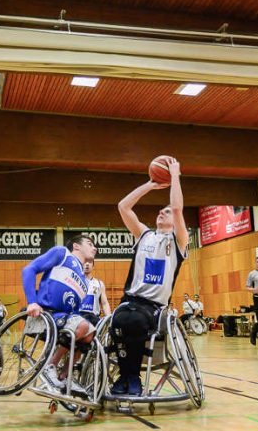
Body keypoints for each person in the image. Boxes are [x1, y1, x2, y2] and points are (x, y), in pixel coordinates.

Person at [111, 157, 189, 396]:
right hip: (130, 300)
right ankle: (127, 376)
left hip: (154, 307)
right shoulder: (143, 235)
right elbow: (123, 206)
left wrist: (174, 175)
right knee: (118, 320)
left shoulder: (178, 242)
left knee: (133, 322)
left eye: (165, 212)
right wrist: (151, 185)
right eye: (160, 211)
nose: (162, 213)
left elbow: (177, 208)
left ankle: (130, 377)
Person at [22, 234, 98, 394]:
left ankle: (65, 376)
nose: (94, 248)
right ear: (76, 246)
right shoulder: (62, 253)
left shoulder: (84, 282)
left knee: (89, 333)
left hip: (63, 320)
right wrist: (32, 301)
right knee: (83, 325)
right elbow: (29, 269)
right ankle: (50, 365)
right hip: (44, 315)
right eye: (90, 243)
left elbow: (75, 312)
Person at [79, 258, 111, 327]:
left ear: (93, 266)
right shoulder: (75, 281)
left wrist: (109, 319)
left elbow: (105, 303)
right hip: (78, 317)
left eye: (90, 262)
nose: (87, 264)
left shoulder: (99, 284)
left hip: (93, 319)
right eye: (85, 262)